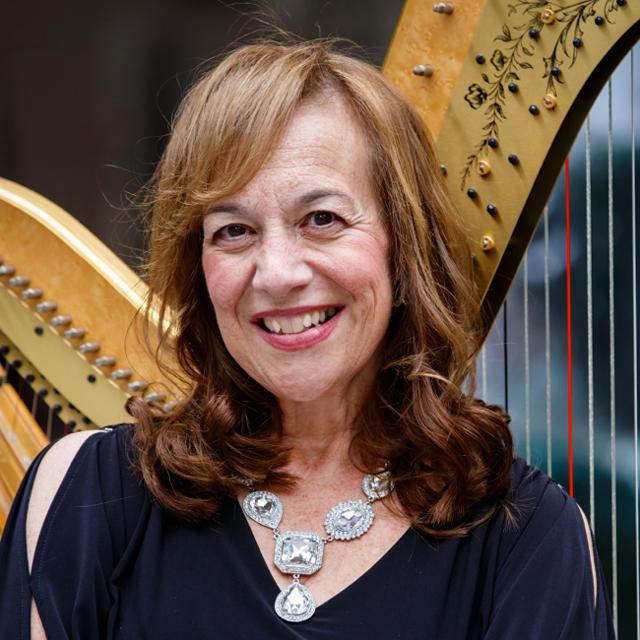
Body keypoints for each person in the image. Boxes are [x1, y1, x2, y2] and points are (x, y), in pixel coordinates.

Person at [0, 39, 613, 639]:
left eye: (321, 219)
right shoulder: (83, 496)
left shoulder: (528, 537)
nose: (277, 274)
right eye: (233, 230)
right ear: (198, 271)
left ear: (404, 253)